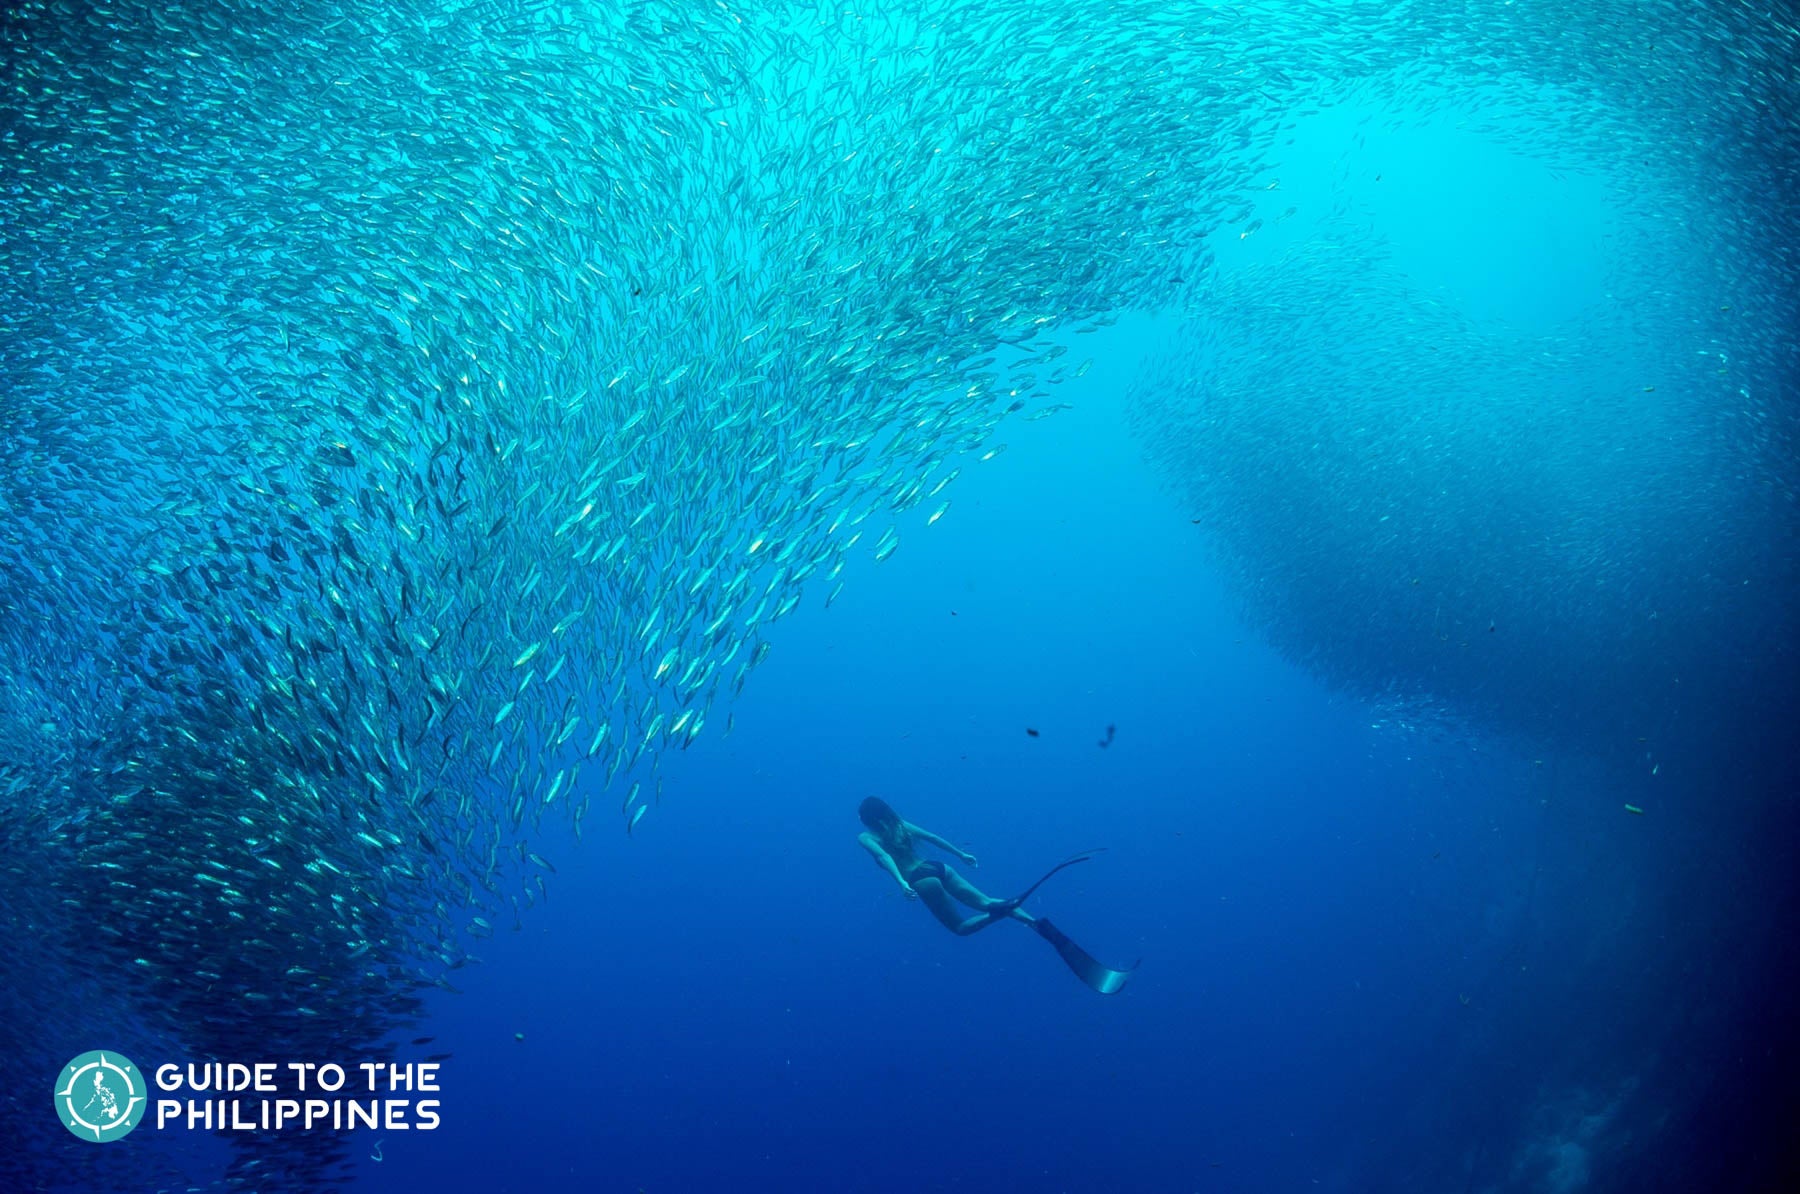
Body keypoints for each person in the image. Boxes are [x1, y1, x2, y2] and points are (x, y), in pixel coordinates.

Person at [856, 796, 1136, 994]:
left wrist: (902, 882)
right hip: (939, 868)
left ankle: (1000, 912)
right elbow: (933, 838)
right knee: (989, 901)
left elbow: (882, 857)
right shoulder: (900, 824)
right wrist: (960, 854)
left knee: (961, 928)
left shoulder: (867, 836)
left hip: (920, 879)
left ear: (866, 819)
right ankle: (1034, 924)